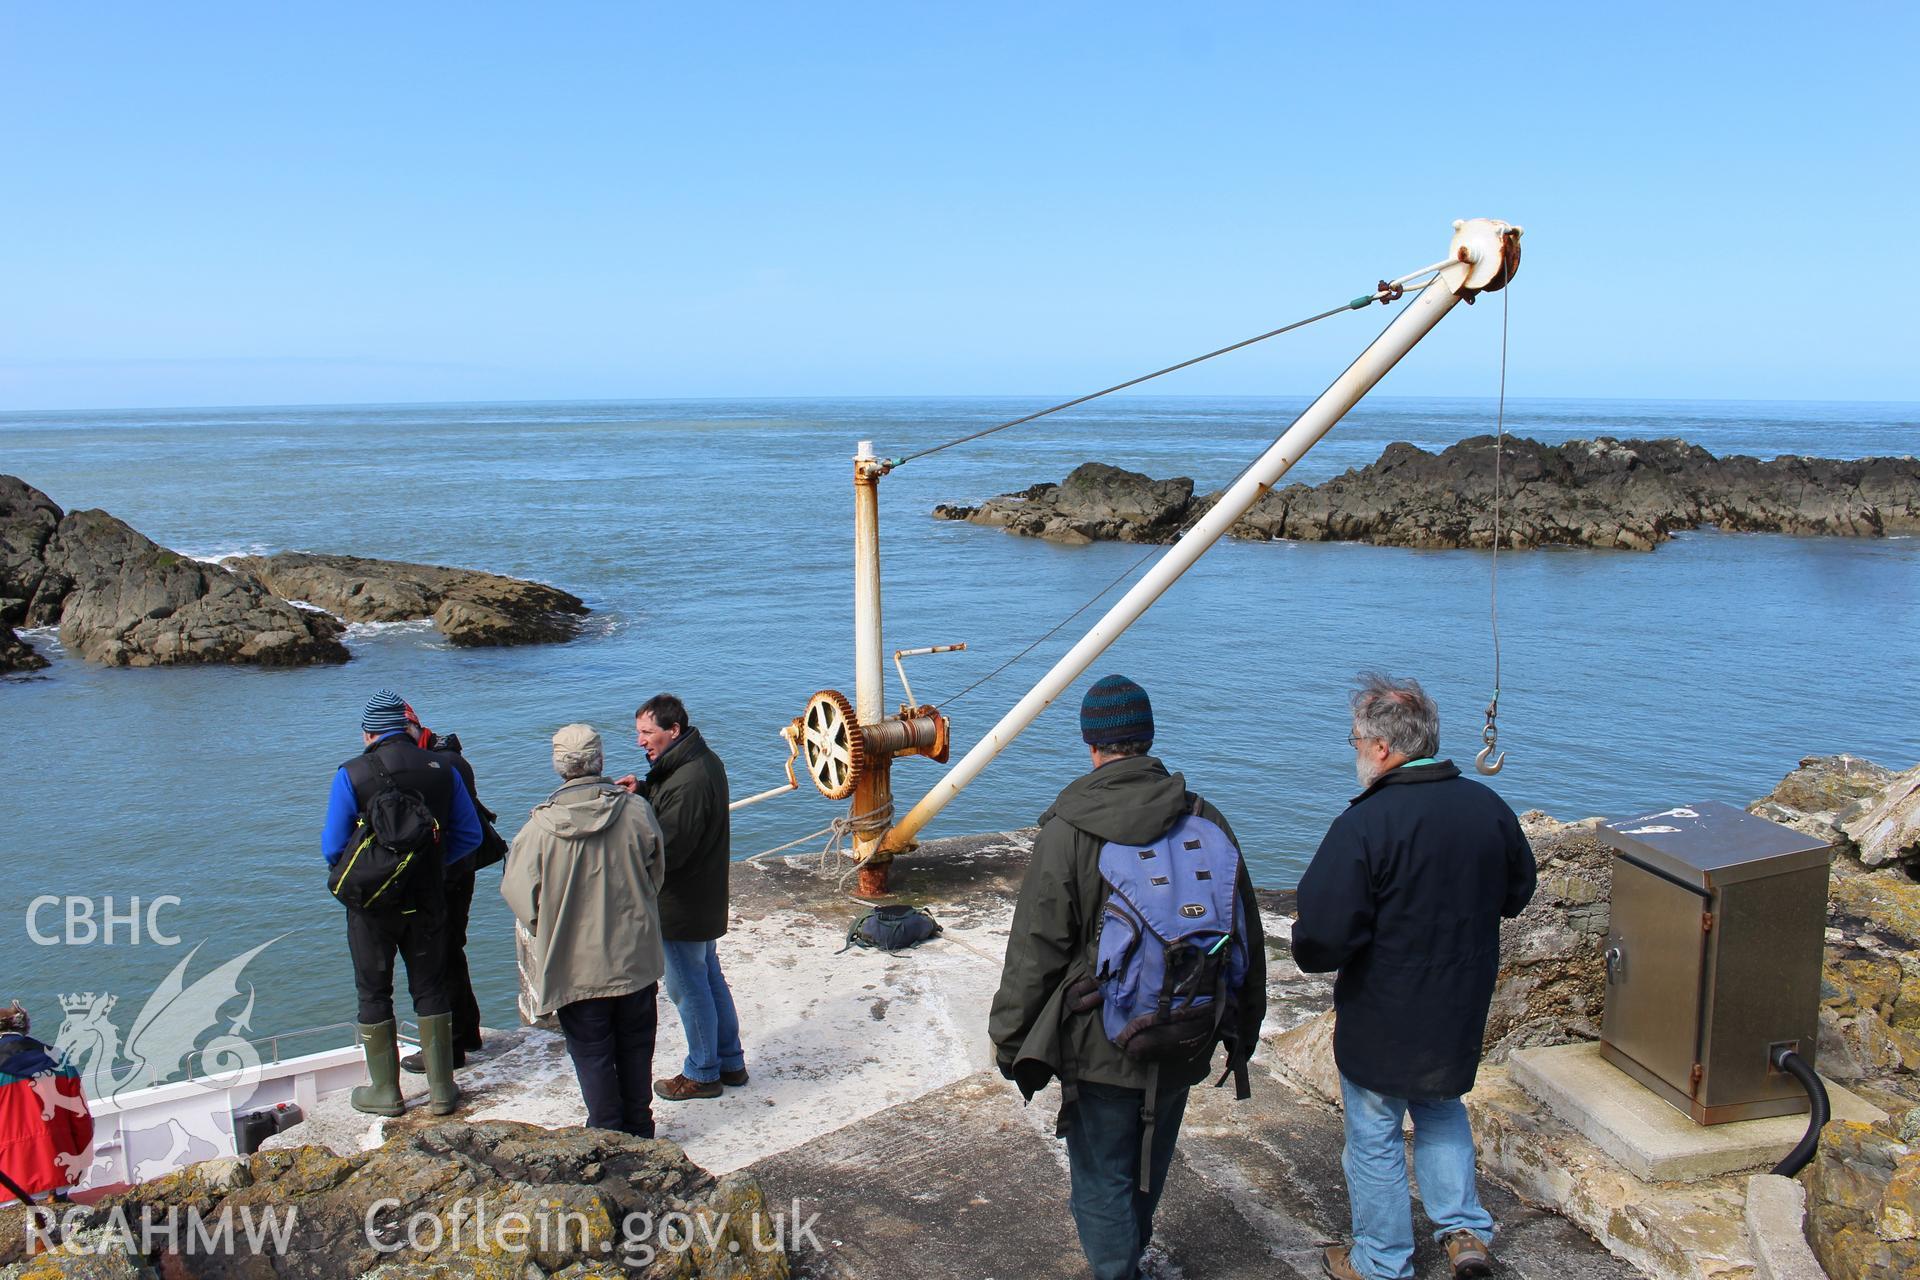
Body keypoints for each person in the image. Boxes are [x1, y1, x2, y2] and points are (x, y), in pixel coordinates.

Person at [989, 674, 1267, 1280]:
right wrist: (1240, 1027)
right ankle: (1131, 1258)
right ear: (1148, 738)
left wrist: (1012, 1042)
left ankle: (1119, 1271)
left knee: (1100, 1177)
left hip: (1100, 1041)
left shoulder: (1069, 827)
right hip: (1187, 1029)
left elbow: (1036, 948)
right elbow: (1244, 931)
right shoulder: (1204, 815)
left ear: (1092, 744)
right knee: (1150, 1160)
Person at [1292, 674, 1537, 1280]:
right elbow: (1518, 891)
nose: (1354, 752)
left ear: (1380, 748)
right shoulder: (1487, 807)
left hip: (1384, 1008)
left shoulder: (1366, 824)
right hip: (1458, 998)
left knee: (1374, 1131)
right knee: (1441, 1106)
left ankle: (1382, 1260)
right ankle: (1464, 1234)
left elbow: (1322, 938)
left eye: (1354, 741)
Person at [321, 688, 483, 1118]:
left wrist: (376, 873)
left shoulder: (351, 774)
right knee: (431, 987)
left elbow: (333, 847)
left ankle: (385, 1093)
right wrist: (428, 867)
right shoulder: (442, 768)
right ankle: (443, 1090)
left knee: (373, 992)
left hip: (371, 906)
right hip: (427, 901)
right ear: (408, 729)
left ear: (367, 733)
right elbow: (470, 837)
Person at [503, 724, 667, 1137]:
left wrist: (550, 925)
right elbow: (656, 875)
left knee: (592, 1054)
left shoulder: (538, 830)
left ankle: (606, 1133)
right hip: (633, 958)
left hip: (575, 966)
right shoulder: (635, 811)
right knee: (636, 1048)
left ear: (560, 767)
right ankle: (641, 1129)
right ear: (600, 761)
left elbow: (520, 896)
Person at [614, 694, 746, 1101]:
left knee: (687, 987)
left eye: (646, 732)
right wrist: (645, 789)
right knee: (708, 977)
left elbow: (669, 849)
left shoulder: (689, 780)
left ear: (673, 731)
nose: (640, 741)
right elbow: (673, 805)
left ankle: (703, 1072)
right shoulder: (697, 764)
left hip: (682, 902)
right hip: (702, 895)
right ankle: (730, 1062)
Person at [395, 703, 510, 1074]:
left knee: (438, 954)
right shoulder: (446, 758)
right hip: (459, 869)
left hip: (449, 874)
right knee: (450, 950)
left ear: (413, 726)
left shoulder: (441, 765)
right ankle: (467, 1032)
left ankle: (451, 1045)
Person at [0, 1002, 92, 1205]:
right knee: (56, 1233)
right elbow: (81, 1120)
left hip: (7, 1182)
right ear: (23, 1027)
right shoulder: (59, 1059)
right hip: (57, 1174)